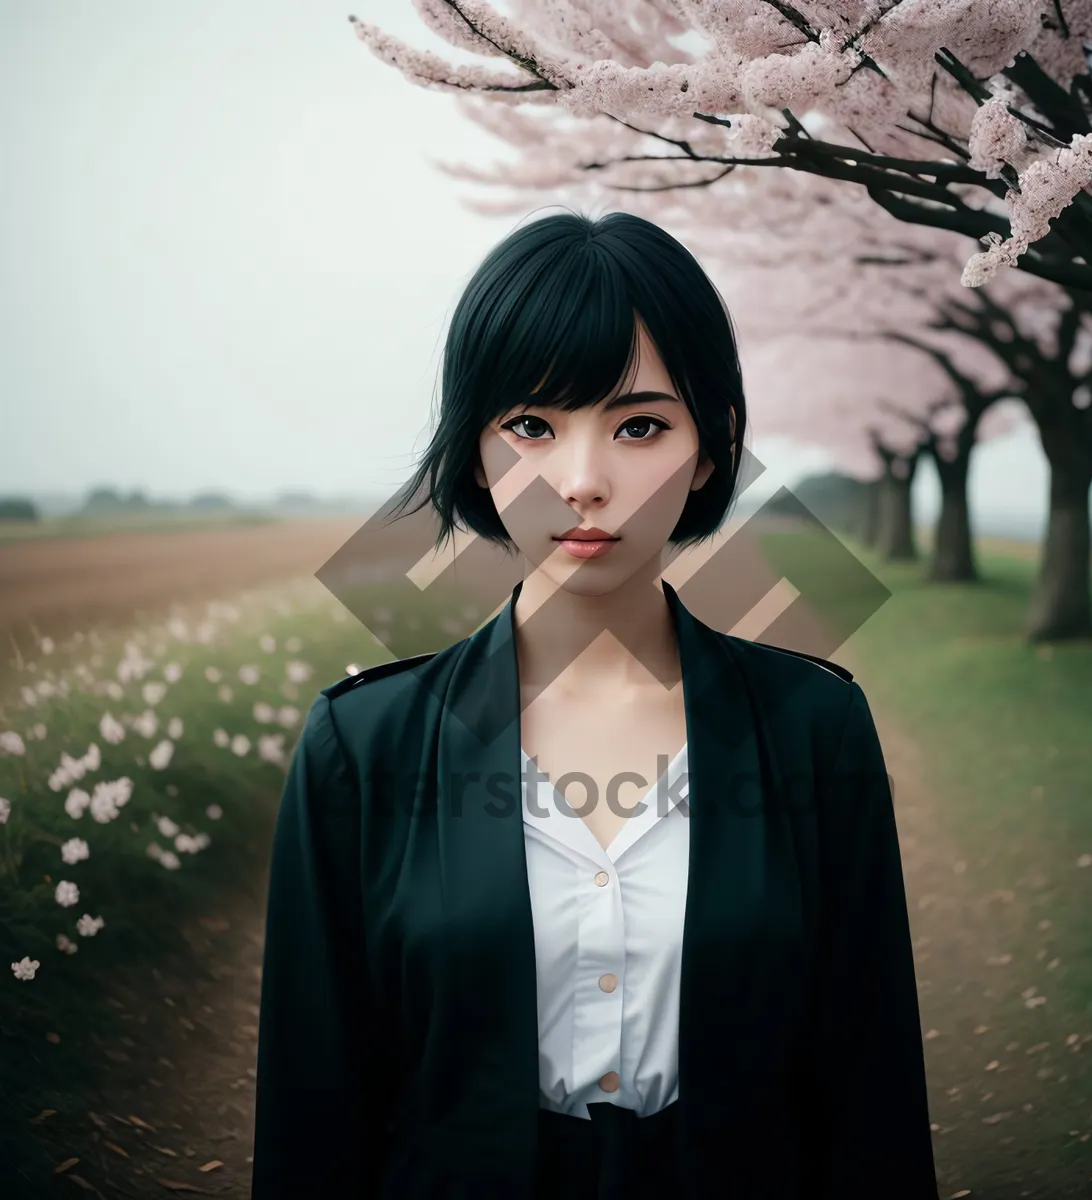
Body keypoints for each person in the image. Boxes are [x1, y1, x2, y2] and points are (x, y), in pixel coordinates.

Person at [250, 209, 939, 1199]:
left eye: (641, 425)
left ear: (714, 448)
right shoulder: (361, 746)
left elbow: (868, 1092)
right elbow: (314, 1115)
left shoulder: (815, 729)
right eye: (531, 425)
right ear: (476, 453)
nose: (582, 481)